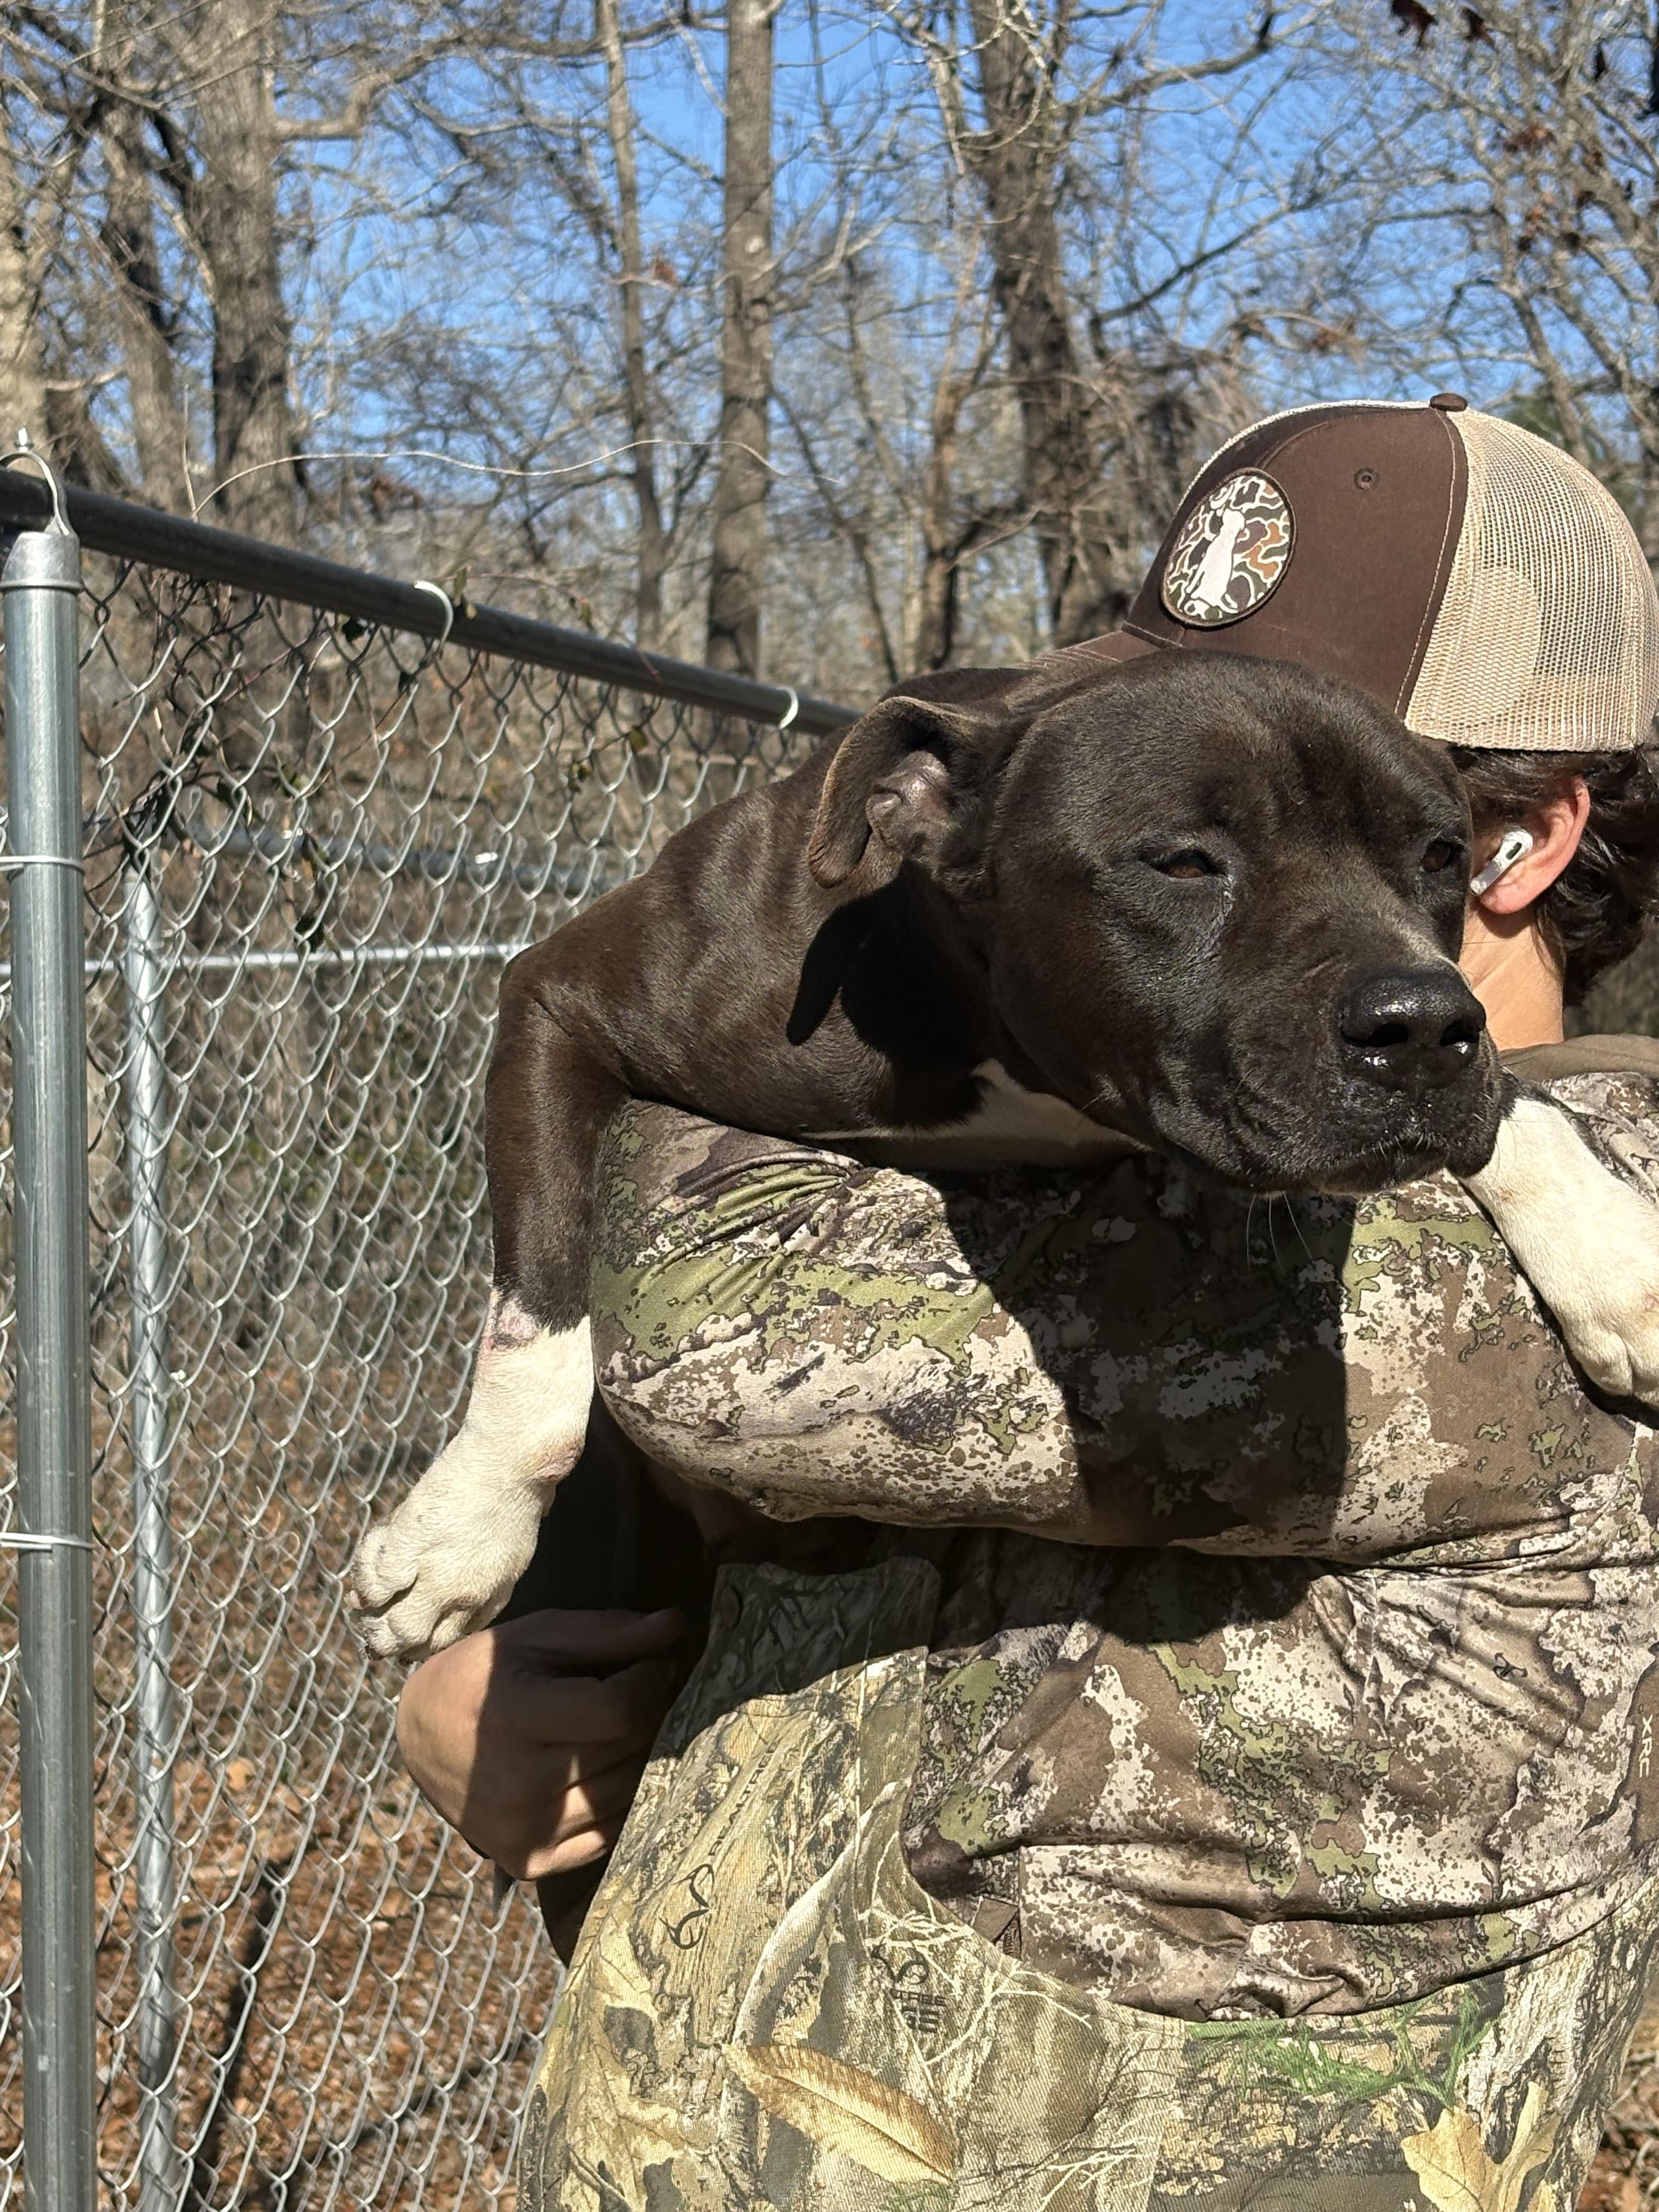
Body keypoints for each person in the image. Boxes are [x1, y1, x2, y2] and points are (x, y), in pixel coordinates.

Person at [397, 397, 1659, 2209]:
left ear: (1515, 841)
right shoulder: (1155, 1124)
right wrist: (516, 1694)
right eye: (1175, 817)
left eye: (1334, 813)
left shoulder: (1548, 1258)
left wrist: (771, 966)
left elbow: (715, 1321)